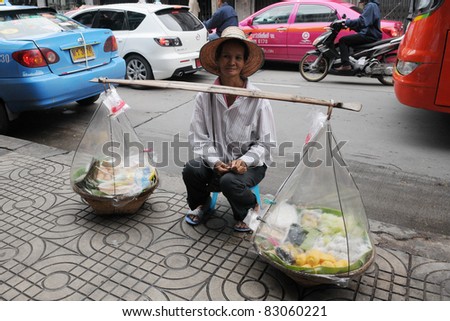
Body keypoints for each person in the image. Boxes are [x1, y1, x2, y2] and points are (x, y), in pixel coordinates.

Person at [182, 26, 277, 232]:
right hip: (216, 161)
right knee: (191, 169)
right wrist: (215, 161)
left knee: (230, 181)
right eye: (225, 56)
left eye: (237, 57)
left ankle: (250, 209)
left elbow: (266, 143)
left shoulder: (258, 99)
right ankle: (203, 204)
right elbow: (198, 138)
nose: (231, 62)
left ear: (243, 63)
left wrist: (245, 161)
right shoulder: (204, 97)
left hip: (251, 166)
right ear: (217, 60)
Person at [336, 0, 382, 71]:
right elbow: (366, 23)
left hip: (369, 35)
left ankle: (346, 65)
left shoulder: (371, 6)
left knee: (343, 40)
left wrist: (347, 22)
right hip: (370, 34)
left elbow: (362, 21)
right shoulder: (373, 5)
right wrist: (352, 27)